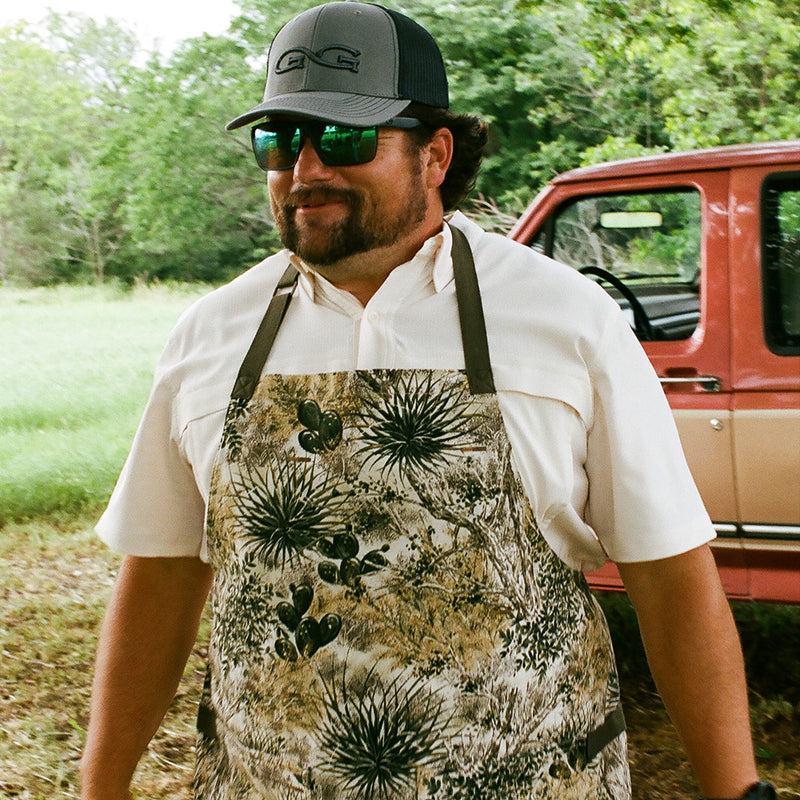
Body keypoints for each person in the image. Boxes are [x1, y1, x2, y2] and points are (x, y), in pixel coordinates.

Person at [80, 2, 775, 799]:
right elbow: (161, 577)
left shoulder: (566, 319)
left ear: (436, 153)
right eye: (280, 141)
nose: (305, 170)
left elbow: (671, 578)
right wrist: (99, 787)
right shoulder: (209, 335)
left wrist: (737, 791)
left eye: (344, 138)